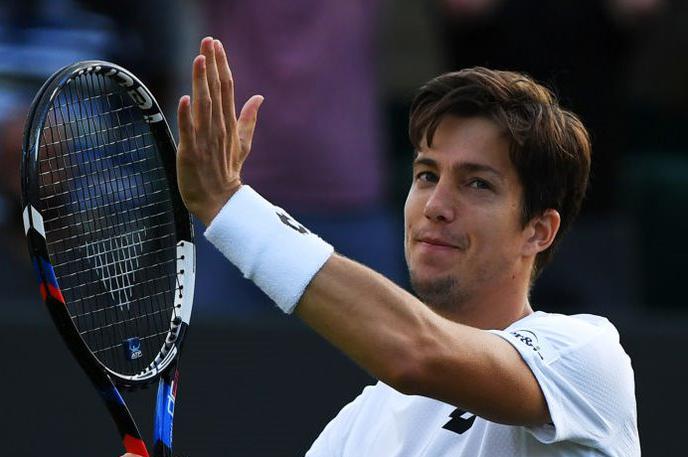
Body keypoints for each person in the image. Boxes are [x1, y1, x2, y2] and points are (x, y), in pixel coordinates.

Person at [124, 37, 640, 456]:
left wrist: (229, 208)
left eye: (477, 183)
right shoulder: (360, 425)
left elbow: (414, 353)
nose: (436, 205)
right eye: (425, 175)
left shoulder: (584, 358)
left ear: (538, 230)